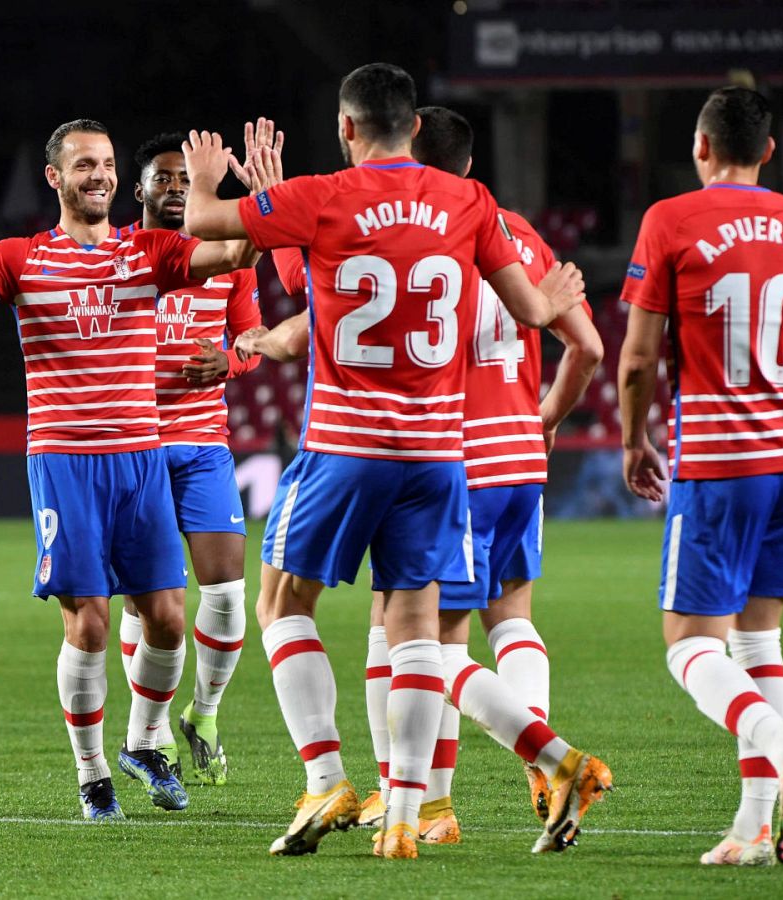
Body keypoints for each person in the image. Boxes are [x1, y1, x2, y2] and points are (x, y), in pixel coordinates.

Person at [181, 63, 594, 858]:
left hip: (347, 444)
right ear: (415, 125)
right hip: (439, 454)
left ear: (346, 128)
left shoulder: (326, 195)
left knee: (282, 604)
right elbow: (535, 310)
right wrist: (558, 292)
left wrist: (208, 179)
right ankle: (411, 815)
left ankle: (326, 777)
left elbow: (205, 222)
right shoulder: (470, 203)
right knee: (418, 634)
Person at [0, 118, 260, 821]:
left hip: (141, 459)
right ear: (55, 177)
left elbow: (239, 252)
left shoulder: (148, 250)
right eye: (84, 164)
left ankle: (144, 743)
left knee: (167, 619)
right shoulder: (20, 258)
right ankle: (92, 775)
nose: (99, 175)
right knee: (89, 625)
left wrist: (234, 192)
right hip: (65, 462)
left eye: (105, 163)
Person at [616, 86, 783, 867]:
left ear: (700, 146)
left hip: (718, 465)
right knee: (758, 640)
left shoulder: (671, 220)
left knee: (688, 645)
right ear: (769, 152)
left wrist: (634, 439)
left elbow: (639, 358)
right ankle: (753, 829)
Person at [114, 129, 267, 786]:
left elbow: (255, 339)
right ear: (139, 188)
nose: (176, 187)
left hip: (202, 446)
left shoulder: (229, 260)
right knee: (146, 606)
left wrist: (229, 362)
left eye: (186, 177)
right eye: (164, 177)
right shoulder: (115, 253)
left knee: (228, 596)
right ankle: (147, 733)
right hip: (131, 448)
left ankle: (203, 715)